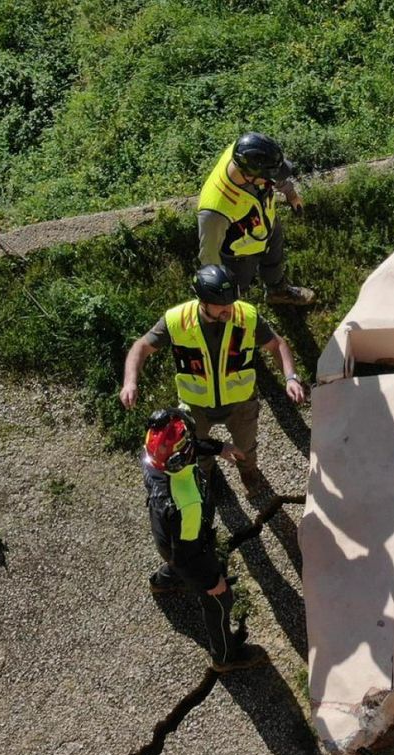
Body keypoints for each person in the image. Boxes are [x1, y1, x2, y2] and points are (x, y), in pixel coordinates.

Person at [120, 264, 308, 498]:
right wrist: (130, 382)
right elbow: (141, 346)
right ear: (203, 302)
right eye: (222, 305)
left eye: (231, 301)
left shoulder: (245, 316)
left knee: (247, 447)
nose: (229, 309)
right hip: (195, 405)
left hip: (240, 403)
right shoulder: (176, 320)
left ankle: (248, 472)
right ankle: (205, 476)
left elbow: (277, 344)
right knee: (198, 450)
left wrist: (291, 377)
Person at [141, 408, 267, 672]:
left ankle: (161, 583)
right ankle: (224, 656)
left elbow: (186, 449)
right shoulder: (188, 503)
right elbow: (188, 554)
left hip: (164, 534)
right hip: (186, 546)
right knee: (219, 602)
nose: (192, 441)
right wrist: (212, 581)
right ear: (180, 457)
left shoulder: (153, 460)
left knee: (173, 557)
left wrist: (218, 447)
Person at [197, 131, 316, 306]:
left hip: (268, 224)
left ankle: (277, 291)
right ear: (249, 175)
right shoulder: (214, 211)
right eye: (267, 177)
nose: (273, 180)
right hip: (240, 254)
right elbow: (209, 257)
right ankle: (234, 314)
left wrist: (291, 195)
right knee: (238, 287)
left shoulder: (245, 155)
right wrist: (218, 295)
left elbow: (275, 176)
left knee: (274, 262)